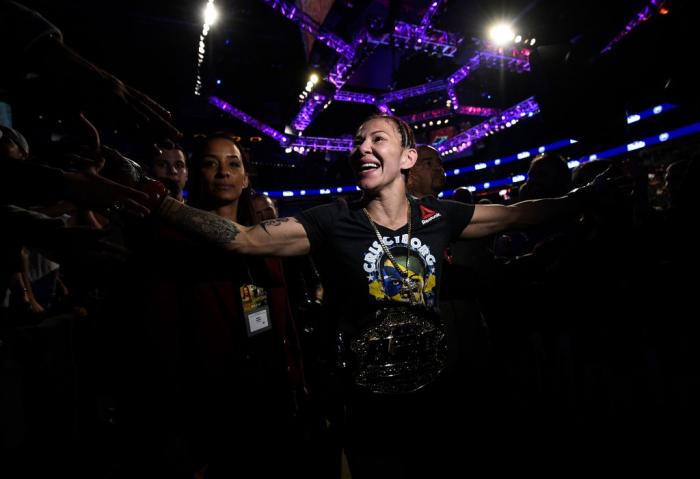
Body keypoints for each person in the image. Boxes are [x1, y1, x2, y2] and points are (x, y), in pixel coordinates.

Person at [154, 114, 612, 477]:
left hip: (441, 404)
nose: (362, 149)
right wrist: (160, 204)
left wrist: (583, 199)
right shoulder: (332, 220)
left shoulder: (438, 215)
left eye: (377, 139)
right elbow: (244, 240)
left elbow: (515, 216)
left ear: (407, 157)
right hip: (370, 412)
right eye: (357, 142)